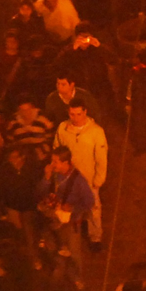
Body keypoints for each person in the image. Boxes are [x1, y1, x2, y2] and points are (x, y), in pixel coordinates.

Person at [36, 146, 96, 289]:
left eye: (56, 161)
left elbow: (90, 202)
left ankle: (76, 276)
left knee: (74, 252)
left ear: (66, 162)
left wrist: (73, 209)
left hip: (71, 222)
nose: (52, 164)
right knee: (52, 246)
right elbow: (39, 193)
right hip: (53, 218)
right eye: (52, 160)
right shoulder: (54, 175)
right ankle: (57, 266)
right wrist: (46, 178)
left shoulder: (79, 181)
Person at [54, 100, 108, 249]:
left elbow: (101, 158)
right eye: (72, 114)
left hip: (89, 179)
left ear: (85, 112)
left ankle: (95, 238)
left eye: (78, 114)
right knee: (68, 206)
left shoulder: (96, 132)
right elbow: (57, 149)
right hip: (69, 179)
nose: (75, 117)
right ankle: (70, 238)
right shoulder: (63, 129)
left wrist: (99, 179)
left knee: (94, 210)